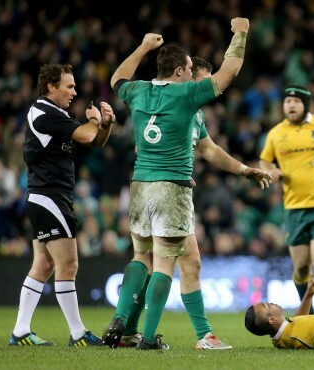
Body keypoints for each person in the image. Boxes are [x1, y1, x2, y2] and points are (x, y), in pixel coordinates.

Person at [105, 18, 260, 351]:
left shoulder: (137, 91)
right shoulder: (187, 95)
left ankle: (122, 320)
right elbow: (229, 71)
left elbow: (117, 78)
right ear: (178, 72)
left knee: (141, 257)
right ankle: (147, 338)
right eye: (189, 69)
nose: (192, 75)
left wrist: (144, 47)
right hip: (172, 186)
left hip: (140, 185)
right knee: (163, 263)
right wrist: (240, 32)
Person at [10, 64, 115, 346]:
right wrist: (94, 121)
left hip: (46, 196)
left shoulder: (55, 114)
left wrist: (105, 124)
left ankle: (20, 331)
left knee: (43, 265)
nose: (74, 91)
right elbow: (86, 135)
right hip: (49, 195)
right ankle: (78, 333)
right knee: (68, 264)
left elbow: (95, 142)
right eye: (68, 86)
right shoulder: (44, 112)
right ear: (50, 87)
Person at [259, 85, 314, 314]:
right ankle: (308, 316)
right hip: (293, 209)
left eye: (296, 101)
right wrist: (271, 171)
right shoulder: (276, 133)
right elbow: (265, 161)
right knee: (300, 269)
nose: (290, 105)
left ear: (305, 104)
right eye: (287, 102)